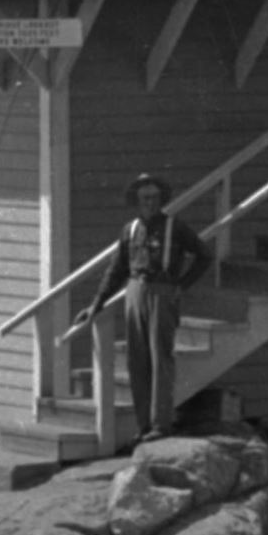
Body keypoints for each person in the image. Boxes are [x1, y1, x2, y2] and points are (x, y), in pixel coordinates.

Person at [73, 172, 210, 452]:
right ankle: (143, 425)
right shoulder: (130, 230)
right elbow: (116, 270)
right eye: (145, 198)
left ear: (161, 200)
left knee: (160, 358)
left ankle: (161, 424)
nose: (150, 203)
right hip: (135, 290)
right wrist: (96, 304)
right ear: (137, 201)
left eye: (154, 198)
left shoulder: (175, 227)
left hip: (163, 290)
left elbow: (204, 256)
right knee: (137, 360)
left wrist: (181, 285)